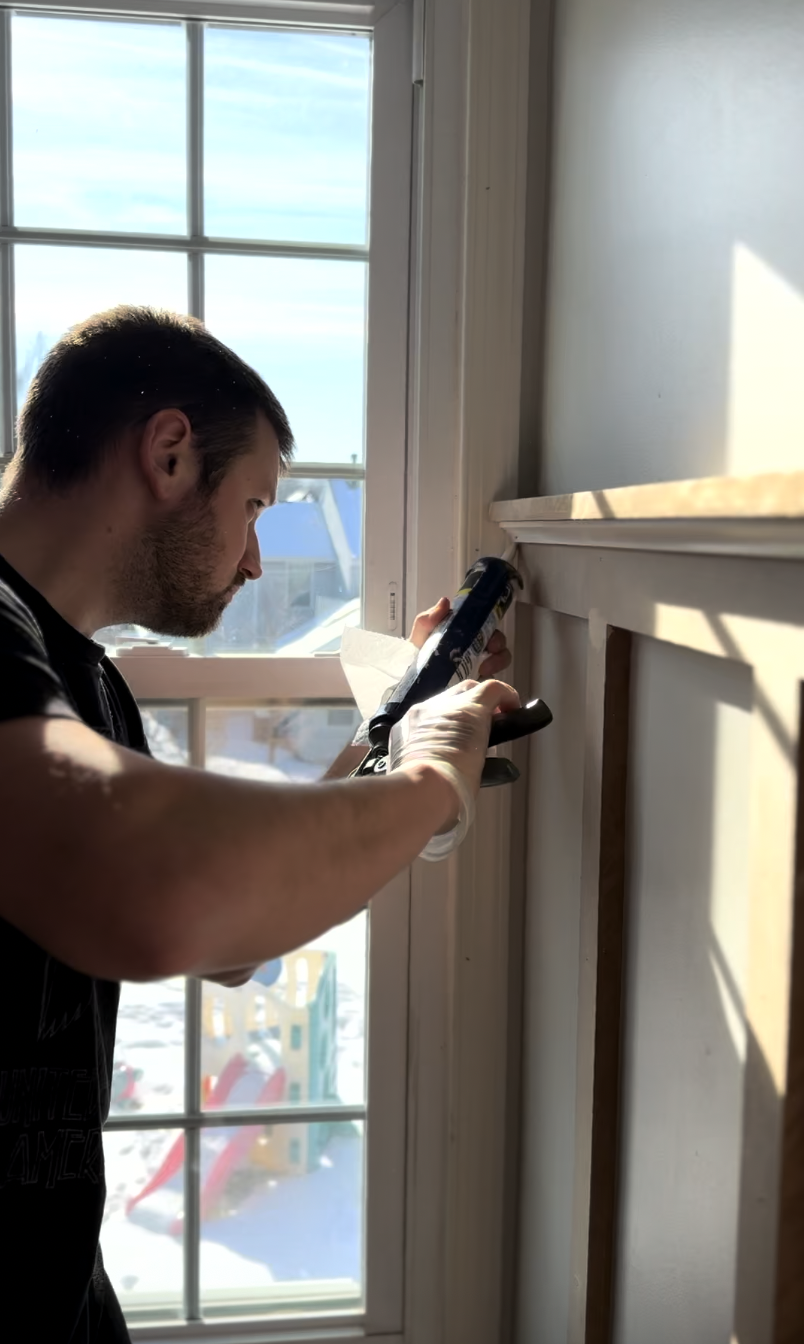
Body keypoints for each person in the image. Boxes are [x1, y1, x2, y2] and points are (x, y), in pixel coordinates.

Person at [0, 306, 517, 1341]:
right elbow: (153, 892)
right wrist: (429, 784)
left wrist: (390, 738)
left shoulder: (85, 683)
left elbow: (227, 932)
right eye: (254, 508)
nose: (252, 561)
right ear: (171, 453)